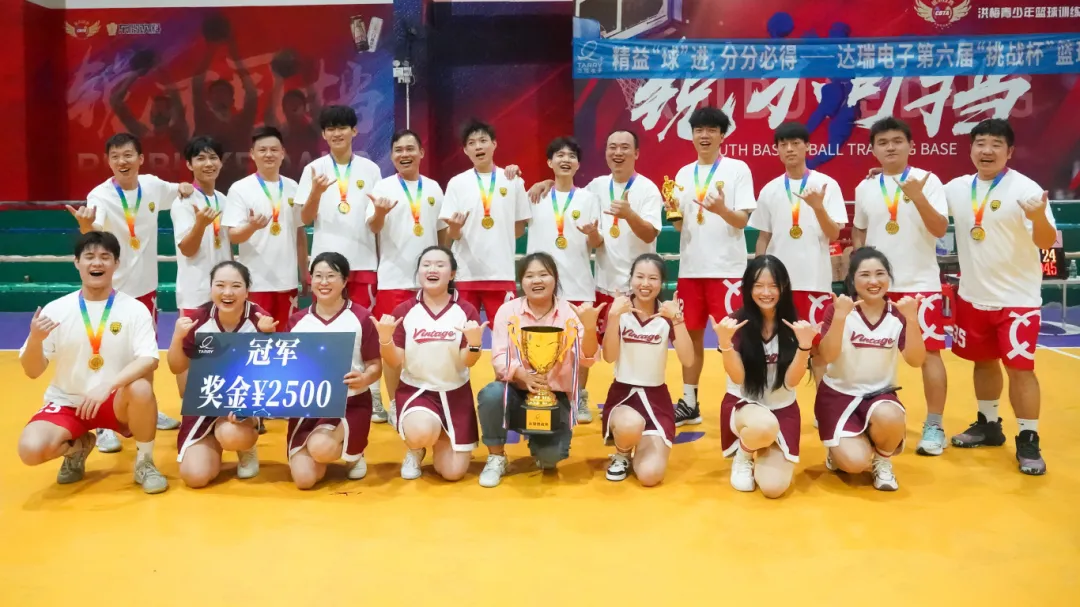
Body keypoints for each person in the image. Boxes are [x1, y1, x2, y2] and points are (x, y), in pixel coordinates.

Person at [944, 118, 1057, 475]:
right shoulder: (957, 188)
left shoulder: (1026, 190)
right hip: (973, 296)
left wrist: (1038, 217)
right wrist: (883, 176)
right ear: (971, 149)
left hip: (1017, 302)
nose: (987, 150)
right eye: (980, 143)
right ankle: (989, 425)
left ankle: (1029, 438)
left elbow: (1046, 241)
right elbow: (921, 199)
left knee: (1021, 370)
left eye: (996, 144)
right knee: (983, 363)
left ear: (1009, 152)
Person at [17, 232, 168, 494]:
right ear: (77, 262)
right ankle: (79, 447)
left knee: (141, 388)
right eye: (89, 256)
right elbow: (33, 371)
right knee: (30, 450)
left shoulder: (134, 309)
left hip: (114, 401)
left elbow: (149, 359)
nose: (97, 263)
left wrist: (109, 385)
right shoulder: (56, 309)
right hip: (69, 402)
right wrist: (35, 341)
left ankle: (145, 462)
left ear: (116, 263)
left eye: (105, 257)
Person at [68, 132, 192, 449]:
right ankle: (104, 424)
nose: (122, 161)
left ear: (140, 159)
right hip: (111, 292)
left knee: (145, 355)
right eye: (115, 157)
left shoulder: (152, 186)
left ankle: (146, 407)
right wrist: (85, 225)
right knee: (106, 354)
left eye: (127, 155)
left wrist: (185, 186)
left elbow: (178, 190)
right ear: (108, 162)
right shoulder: (99, 196)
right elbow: (93, 233)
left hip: (146, 290)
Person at [853, 117, 950, 457]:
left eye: (897, 140)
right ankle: (868, 421)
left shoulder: (929, 181)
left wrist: (918, 197)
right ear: (873, 149)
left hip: (919, 286)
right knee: (868, 353)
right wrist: (860, 270)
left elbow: (940, 228)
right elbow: (859, 231)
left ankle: (934, 425)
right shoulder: (865, 187)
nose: (890, 147)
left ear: (910, 145)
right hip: (876, 288)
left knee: (930, 355)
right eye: (882, 142)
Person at [476, 252, 602, 488]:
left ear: (555, 278)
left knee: (550, 459)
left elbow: (588, 360)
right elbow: (499, 357)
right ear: (521, 281)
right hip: (515, 391)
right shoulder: (508, 311)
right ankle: (496, 456)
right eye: (529, 275)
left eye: (544, 274)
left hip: (555, 396)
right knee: (491, 394)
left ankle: (539, 442)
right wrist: (521, 374)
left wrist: (590, 327)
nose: (537, 281)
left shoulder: (570, 314)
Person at [667, 107, 756, 427]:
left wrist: (721, 210)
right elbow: (680, 227)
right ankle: (689, 402)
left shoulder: (737, 170)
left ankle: (737, 397)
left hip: (727, 271)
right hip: (691, 271)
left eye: (711, 130)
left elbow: (742, 220)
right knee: (689, 338)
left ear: (722, 135)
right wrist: (673, 212)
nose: (704, 136)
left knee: (732, 338)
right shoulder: (682, 174)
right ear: (692, 135)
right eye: (698, 130)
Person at [294, 105, 385, 419]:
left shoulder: (370, 170)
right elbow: (306, 218)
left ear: (354, 131)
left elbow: (375, 224)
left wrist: (381, 214)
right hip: (326, 267)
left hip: (363, 262)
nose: (337, 133)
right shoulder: (313, 169)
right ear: (324, 134)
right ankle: (321, 391)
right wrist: (316, 193)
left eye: (342, 127)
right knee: (324, 331)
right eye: (330, 128)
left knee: (367, 331)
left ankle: (373, 395)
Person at [815, 247, 926, 491]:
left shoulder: (898, 314)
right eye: (865, 275)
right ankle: (843, 446)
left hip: (879, 396)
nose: (873, 281)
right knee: (855, 463)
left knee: (891, 416)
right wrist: (840, 318)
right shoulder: (839, 309)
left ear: (889, 277)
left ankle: (883, 460)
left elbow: (916, 360)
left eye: (880, 274)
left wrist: (912, 319)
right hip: (839, 395)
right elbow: (826, 356)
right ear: (852, 279)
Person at [374, 246, 483, 482]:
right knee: (421, 431)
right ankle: (416, 449)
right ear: (419, 271)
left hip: (456, 394)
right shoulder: (405, 310)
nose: (432, 269)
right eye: (426, 264)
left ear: (452, 274)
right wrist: (385, 340)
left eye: (440, 265)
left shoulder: (466, 310)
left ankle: (441, 435)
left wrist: (474, 344)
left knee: (453, 473)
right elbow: (394, 360)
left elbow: (468, 361)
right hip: (418, 391)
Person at [749, 121, 846, 381]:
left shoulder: (826, 185)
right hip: (778, 286)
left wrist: (818, 207)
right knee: (777, 346)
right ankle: (779, 397)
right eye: (783, 145)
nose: (790, 149)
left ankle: (822, 401)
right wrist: (759, 277)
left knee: (818, 348)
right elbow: (763, 238)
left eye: (795, 143)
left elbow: (834, 234)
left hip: (815, 280)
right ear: (777, 151)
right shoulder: (769, 189)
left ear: (808, 147)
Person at [715, 255, 818, 498]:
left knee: (773, 488)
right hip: (744, 406)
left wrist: (805, 347)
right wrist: (725, 344)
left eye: (773, 285)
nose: (766, 292)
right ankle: (743, 454)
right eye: (759, 285)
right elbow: (738, 379)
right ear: (748, 287)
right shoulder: (736, 322)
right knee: (763, 425)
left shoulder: (794, 324)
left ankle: (761, 444)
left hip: (782, 408)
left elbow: (791, 382)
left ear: (784, 287)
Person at [167, 261, 273, 488]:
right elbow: (176, 368)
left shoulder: (260, 320)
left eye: (236, 286)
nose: (227, 292)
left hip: (242, 403)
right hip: (205, 402)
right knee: (195, 477)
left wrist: (269, 338)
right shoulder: (198, 319)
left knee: (232, 433)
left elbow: (274, 375)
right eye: (220, 285)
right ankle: (211, 442)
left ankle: (246, 449)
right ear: (211, 288)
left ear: (247, 290)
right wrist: (177, 338)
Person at [367, 129, 445, 427]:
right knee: (391, 348)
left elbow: (441, 234)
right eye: (398, 150)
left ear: (421, 153)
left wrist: (444, 272)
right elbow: (374, 227)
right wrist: (379, 212)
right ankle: (394, 404)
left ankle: (429, 399)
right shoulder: (382, 187)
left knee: (428, 345)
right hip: (393, 281)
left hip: (429, 283)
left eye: (410, 148)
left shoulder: (434, 188)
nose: (404, 154)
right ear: (391, 156)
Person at [286, 252, 383, 488]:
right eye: (318, 276)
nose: (324, 282)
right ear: (310, 280)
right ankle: (327, 448)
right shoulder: (297, 321)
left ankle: (354, 453)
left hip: (349, 403)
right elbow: (286, 369)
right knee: (304, 480)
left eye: (331, 276)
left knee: (320, 447)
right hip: (308, 406)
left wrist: (365, 378)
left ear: (345, 280)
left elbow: (375, 365)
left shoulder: (362, 318)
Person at [525, 136, 602, 423]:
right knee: (539, 344)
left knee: (581, 346)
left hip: (579, 281)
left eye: (571, 156)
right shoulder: (536, 196)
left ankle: (579, 395)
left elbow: (597, 243)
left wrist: (592, 233)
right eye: (559, 155)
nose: (565, 160)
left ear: (578, 164)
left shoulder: (589, 199)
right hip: (541, 286)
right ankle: (542, 392)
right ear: (550, 162)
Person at [601, 254, 693, 486]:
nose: (645, 284)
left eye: (653, 278)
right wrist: (613, 317)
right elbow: (608, 356)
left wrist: (678, 319)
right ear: (631, 279)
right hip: (623, 396)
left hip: (656, 399)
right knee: (630, 424)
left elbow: (688, 359)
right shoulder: (620, 311)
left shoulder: (667, 315)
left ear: (661, 283)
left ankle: (640, 445)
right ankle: (622, 453)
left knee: (650, 476)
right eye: (639, 277)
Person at [439, 119, 530, 322]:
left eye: (483, 140)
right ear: (465, 150)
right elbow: (452, 235)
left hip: (501, 273)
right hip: (466, 275)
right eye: (471, 143)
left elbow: (519, 229)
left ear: (494, 144)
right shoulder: (457, 183)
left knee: (506, 333)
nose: (478, 146)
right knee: (464, 333)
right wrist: (455, 228)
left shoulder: (513, 180)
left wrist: (498, 236)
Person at [221, 126, 309, 329]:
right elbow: (233, 236)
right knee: (256, 338)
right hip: (255, 282)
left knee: (286, 337)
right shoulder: (240, 188)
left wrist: (303, 272)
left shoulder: (293, 187)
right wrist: (252, 227)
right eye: (262, 150)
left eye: (274, 150)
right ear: (252, 154)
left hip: (287, 281)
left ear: (282, 153)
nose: (268, 154)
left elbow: (299, 233)